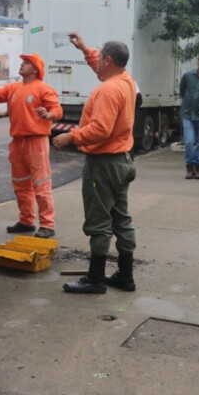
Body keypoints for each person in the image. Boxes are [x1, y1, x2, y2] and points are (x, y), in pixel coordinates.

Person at [52, 32, 137, 295]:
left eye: (99, 57)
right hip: (121, 162)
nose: (96, 61)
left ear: (108, 60)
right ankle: (125, 275)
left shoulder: (109, 90)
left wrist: (70, 136)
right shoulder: (125, 81)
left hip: (104, 165)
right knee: (121, 220)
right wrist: (85, 50)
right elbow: (103, 72)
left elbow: (100, 129)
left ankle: (96, 279)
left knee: (99, 222)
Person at [0, 54, 63, 239]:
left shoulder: (43, 88)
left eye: (26, 63)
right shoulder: (14, 88)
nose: (21, 64)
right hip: (18, 142)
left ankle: (47, 225)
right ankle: (26, 221)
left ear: (35, 69)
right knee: (21, 185)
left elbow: (57, 110)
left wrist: (48, 115)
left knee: (41, 185)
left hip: (36, 141)